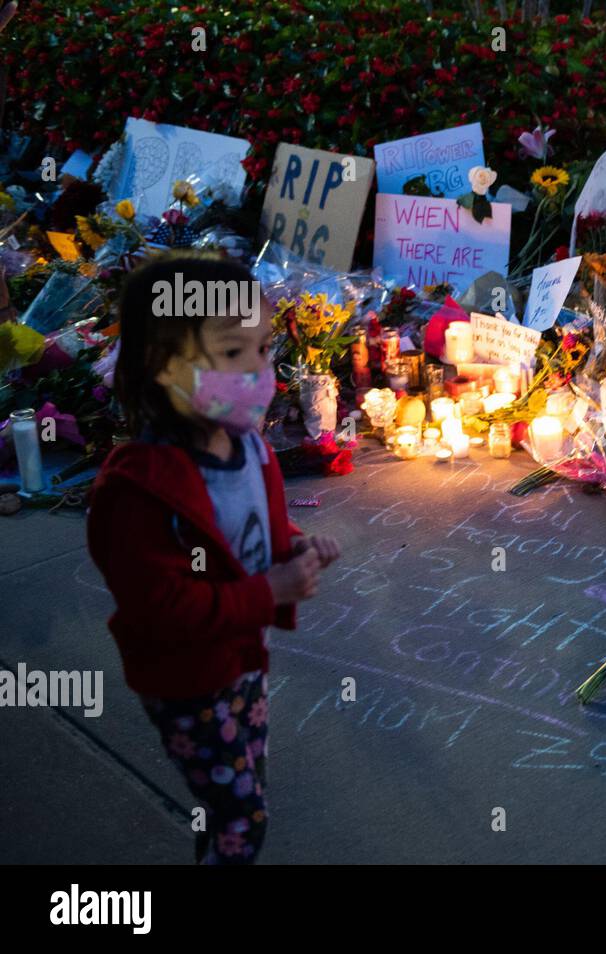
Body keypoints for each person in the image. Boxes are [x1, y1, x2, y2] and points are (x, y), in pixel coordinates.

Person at [87, 250, 340, 863]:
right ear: (161, 365)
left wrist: (289, 544)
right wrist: (270, 591)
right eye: (232, 355)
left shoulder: (246, 445)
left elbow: (240, 524)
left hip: (241, 661)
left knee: (237, 787)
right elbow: (162, 607)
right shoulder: (144, 488)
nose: (259, 372)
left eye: (262, 350)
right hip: (188, 680)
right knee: (241, 820)